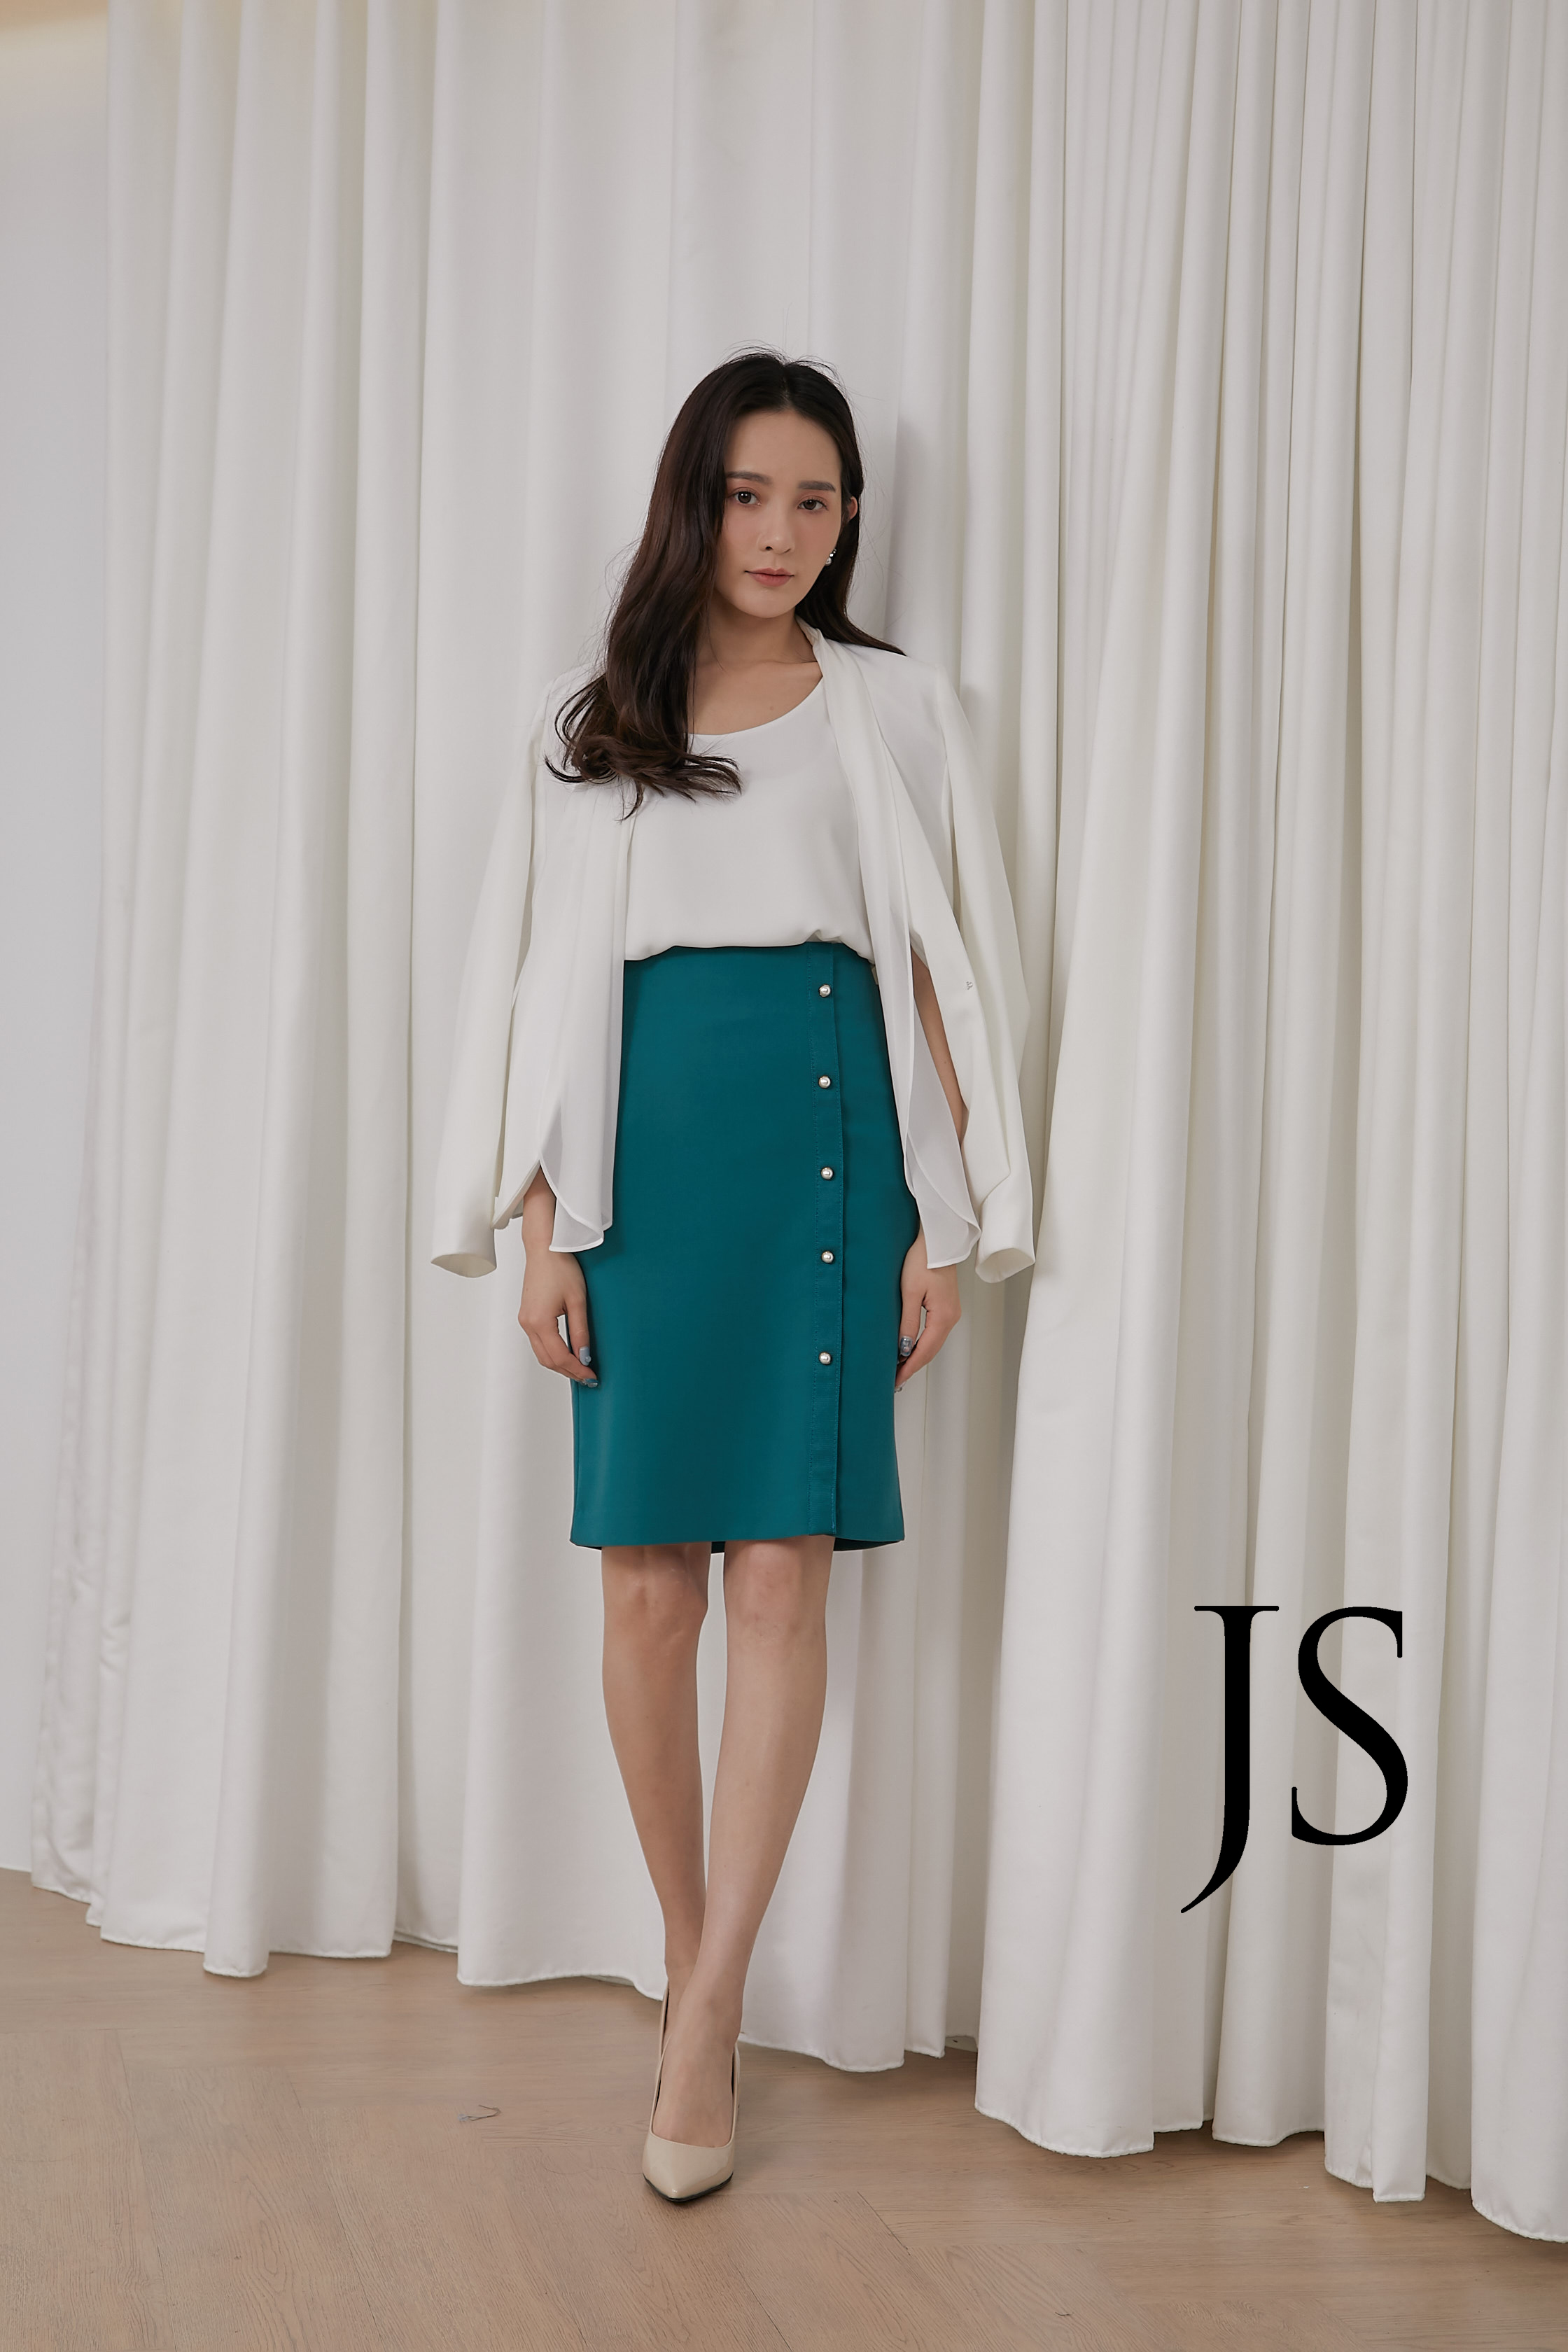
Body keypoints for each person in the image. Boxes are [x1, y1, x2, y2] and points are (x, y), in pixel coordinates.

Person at [430, 350, 1034, 2201]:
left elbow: (938, 969)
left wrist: (943, 1217)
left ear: (851, 519)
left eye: (817, 500)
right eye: (752, 494)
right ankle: (693, 1953)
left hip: (829, 1159)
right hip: (644, 1182)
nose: (782, 533)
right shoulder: (590, 721)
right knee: (644, 1588)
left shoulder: (896, 709)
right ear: (694, 502)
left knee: (780, 1574)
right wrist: (545, 1224)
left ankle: (707, 2015)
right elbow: (540, 984)